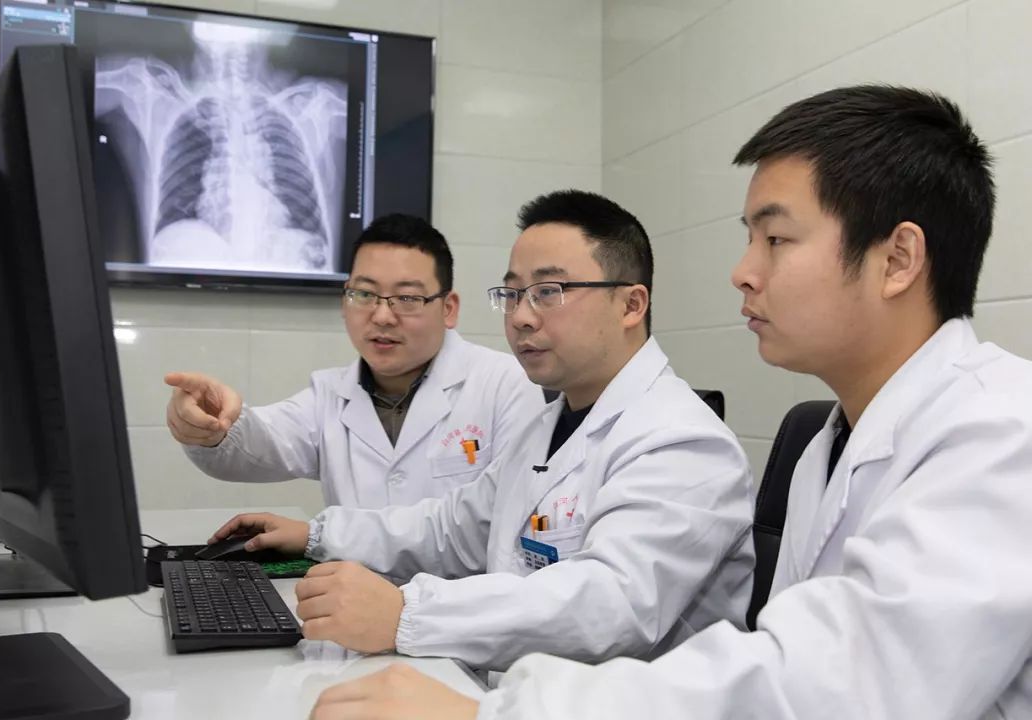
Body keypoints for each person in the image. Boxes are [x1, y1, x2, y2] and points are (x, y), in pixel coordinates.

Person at [307, 86, 1032, 720]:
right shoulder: (834, 441)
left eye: (776, 239)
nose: (742, 272)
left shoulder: (1000, 431)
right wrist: (321, 536)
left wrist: (482, 696)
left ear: (897, 260)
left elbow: (835, 685)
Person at [213, 190, 755, 674]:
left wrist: (407, 614)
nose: (520, 317)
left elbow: (611, 605)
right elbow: (451, 528)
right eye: (513, 294)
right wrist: (318, 535)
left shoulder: (682, 441)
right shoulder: (549, 425)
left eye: (548, 291)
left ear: (631, 304)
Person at [164, 213, 545, 509]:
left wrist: (318, 537)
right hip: (348, 588)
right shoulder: (329, 396)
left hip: (463, 592)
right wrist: (212, 424)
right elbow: (252, 449)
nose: (382, 316)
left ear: (448, 309)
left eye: (407, 298)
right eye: (364, 294)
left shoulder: (506, 385)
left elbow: (505, 522)